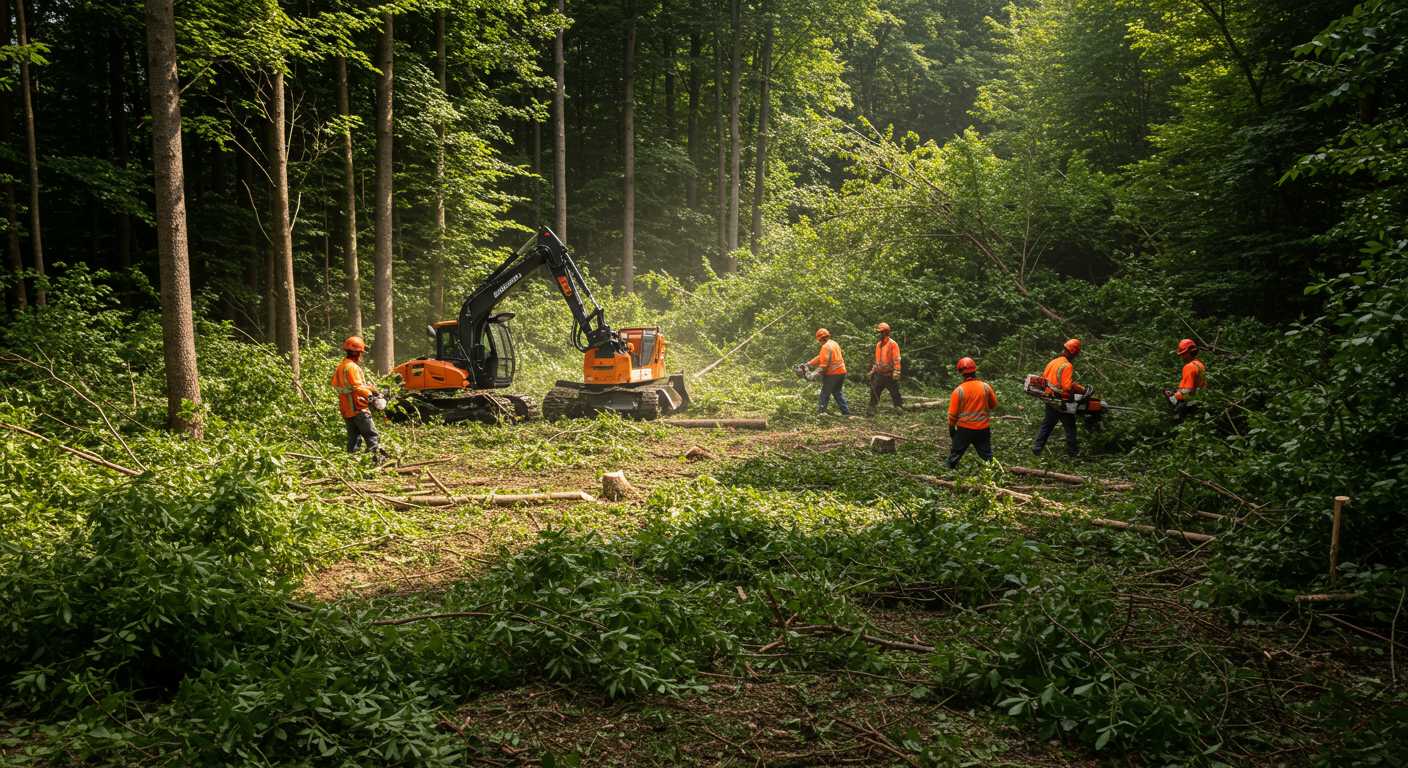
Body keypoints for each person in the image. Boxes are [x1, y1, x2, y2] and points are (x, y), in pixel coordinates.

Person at [332, 335, 384, 460]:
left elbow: (344, 386)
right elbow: (357, 387)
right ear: (356, 353)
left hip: (346, 409)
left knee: (353, 439)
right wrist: (371, 397)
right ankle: (376, 459)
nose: (361, 355)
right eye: (361, 353)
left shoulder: (341, 366)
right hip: (358, 408)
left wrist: (372, 389)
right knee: (372, 436)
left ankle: (351, 462)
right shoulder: (352, 367)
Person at [1032, 338, 1086, 457]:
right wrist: (1076, 392)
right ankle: (1073, 453)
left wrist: (1079, 388)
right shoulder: (1067, 365)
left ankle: (1037, 448)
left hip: (1049, 398)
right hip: (1062, 401)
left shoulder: (1053, 362)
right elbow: (1066, 387)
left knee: (1047, 424)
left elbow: (1048, 379)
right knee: (1070, 426)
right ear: (1073, 352)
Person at [947, 357, 998, 468]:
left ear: (960, 372)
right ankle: (994, 471)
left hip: (964, 430)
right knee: (987, 456)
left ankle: (948, 472)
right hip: (983, 429)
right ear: (975, 370)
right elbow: (993, 405)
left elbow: (952, 415)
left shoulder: (958, 391)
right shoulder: (986, 387)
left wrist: (951, 428)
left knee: (955, 455)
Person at [807, 328, 849, 415]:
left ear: (820, 339)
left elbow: (824, 366)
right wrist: (809, 363)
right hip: (842, 372)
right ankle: (846, 412)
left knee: (825, 393)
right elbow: (820, 357)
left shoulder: (825, 347)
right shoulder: (834, 343)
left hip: (833, 374)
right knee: (837, 392)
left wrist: (813, 374)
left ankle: (821, 412)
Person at [866, 322, 903, 416]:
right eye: (879, 332)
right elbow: (877, 360)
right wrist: (873, 371)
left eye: (881, 332)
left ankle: (898, 408)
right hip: (880, 373)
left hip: (890, 374)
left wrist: (897, 371)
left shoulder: (893, 344)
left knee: (895, 392)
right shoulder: (878, 345)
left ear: (886, 332)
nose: (879, 334)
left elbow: (896, 359)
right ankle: (872, 408)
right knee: (874, 391)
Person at [1169, 338, 1206, 421]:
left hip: (1190, 405)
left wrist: (1174, 396)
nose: (1182, 357)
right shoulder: (1199, 364)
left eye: (1183, 354)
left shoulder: (1189, 367)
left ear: (1188, 353)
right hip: (1201, 401)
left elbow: (1188, 391)